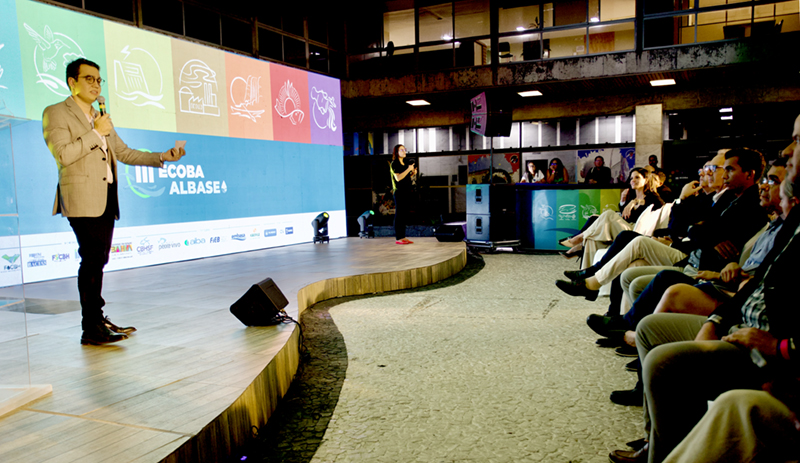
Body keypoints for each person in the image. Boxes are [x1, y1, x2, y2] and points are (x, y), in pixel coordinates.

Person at [43, 58, 186, 345]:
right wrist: (96, 132)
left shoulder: (100, 116)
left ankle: (97, 320)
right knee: (92, 259)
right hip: (81, 197)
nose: (96, 85)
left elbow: (124, 152)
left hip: (106, 197)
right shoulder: (56, 112)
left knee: (99, 259)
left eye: (99, 80)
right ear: (72, 82)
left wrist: (162, 156)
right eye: (89, 79)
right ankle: (91, 327)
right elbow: (64, 155)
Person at [559, 168, 663, 263]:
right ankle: (587, 271)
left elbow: (661, 206)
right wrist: (623, 201)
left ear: (646, 180)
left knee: (608, 214)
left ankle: (579, 238)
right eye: (631, 178)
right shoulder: (631, 196)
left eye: (637, 177)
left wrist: (636, 202)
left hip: (634, 231)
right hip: (625, 227)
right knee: (591, 237)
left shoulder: (653, 197)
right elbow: (625, 216)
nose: (633, 180)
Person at [390, 144, 416, 245]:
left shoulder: (405, 164)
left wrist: (412, 173)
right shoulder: (394, 163)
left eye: (404, 149)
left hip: (407, 191)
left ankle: (403, 236)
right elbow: (398, 178)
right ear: (396, 152)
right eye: (401, 150)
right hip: (399, 192)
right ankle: (398, 237)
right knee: (399, 214)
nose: (404, 151)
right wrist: (409, 169)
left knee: (404, 214)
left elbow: (405, 177)